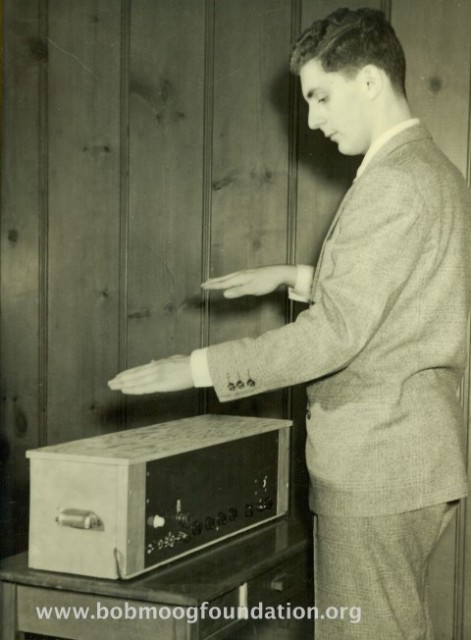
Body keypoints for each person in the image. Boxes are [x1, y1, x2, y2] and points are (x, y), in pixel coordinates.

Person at [108, 8, 471, 638]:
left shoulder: (393, 182)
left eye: (320, 96)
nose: (312, 120)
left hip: (375, 464)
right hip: (409, 459)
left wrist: (198, 368)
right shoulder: (433, 170)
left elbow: (334, 335)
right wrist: (296, 276)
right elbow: (404, 299)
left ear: (370, 81)